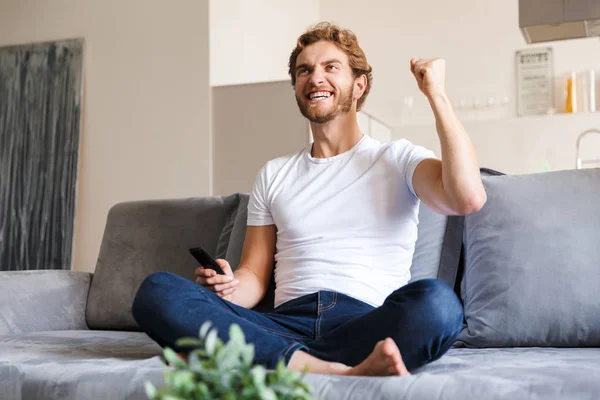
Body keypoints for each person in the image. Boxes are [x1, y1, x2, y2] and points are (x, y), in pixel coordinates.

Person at [132, 22, 486, 377]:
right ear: (297, 88)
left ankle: (279, 361)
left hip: (365, 324)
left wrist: (435, 93)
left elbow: (467, 198)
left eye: (331, 67)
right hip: (282, 324)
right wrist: (229, 288)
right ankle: (329, 368)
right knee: (157, 291)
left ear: (359, 85)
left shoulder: (398, 158)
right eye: (305, 70)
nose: (315, 78)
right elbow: (254, 275)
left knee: (439, 304)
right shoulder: (274, 173)